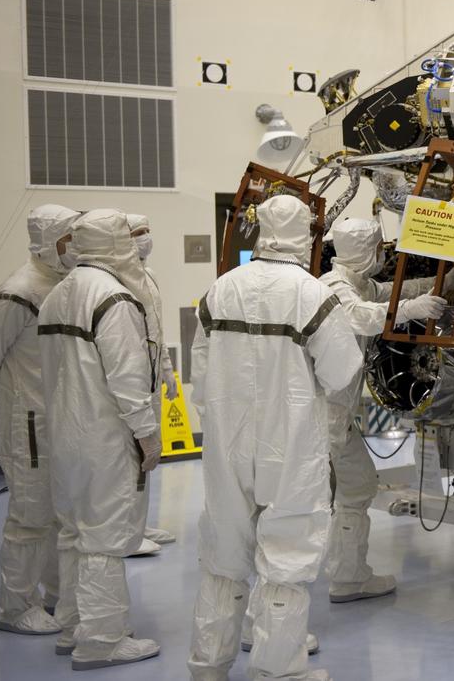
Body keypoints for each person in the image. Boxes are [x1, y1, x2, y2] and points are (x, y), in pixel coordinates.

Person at [187, 195, 362, 681]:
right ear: (304, 234)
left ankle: (207, 665)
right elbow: (342, 370)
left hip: (226, 441)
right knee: (286, 553)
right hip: (288, 444)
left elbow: (199, 374)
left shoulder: (220, 290)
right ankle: (277, 671)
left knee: (224, 550)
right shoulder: (310, 294)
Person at [38, 209, 163, 669]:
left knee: (73, 533)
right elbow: (129, 381)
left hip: (64, 435)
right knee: (104, 539)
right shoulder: (114, 299)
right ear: (117, 245)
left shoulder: (58, 294)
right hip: (104, 437)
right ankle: (102, 639)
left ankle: (73, 625)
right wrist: (148, 437)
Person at [319, 217, 446, 604]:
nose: (382, 254)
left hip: (335, 417)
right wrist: (411, 309)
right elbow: (360, 315)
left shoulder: (355, 282)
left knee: (357, 486)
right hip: (317, 418)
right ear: (364, 251)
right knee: (305, 504)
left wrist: (438, 284)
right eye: (378, 247)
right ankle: (280, 596)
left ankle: (348, 576)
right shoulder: (334, 288)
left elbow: (383, 293)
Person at [0, 204, 79, 635]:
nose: (75, 248)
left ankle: (53, 593)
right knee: (30, 515)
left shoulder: (63, 285)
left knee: (56, 513)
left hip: (54, 418)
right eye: (69, 240)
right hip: (27, 424)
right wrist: (7, 403)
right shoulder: (19, 291)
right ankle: (15, 608)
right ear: (47, 241)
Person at [126, 214, 178, 547]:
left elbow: (157, 330)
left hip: (151, 379)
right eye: (138, 233)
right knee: (130, 458)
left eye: (148, 230)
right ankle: (127, 533)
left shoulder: (149, 276)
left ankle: (140, 526)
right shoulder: (119, 279)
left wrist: (167, 369)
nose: (146, 238)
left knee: (147, 460)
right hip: (131, 383)